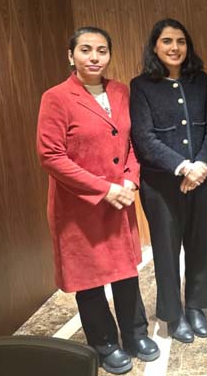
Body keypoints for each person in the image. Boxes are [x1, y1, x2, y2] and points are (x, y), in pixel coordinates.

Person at [36, 27, 159, 374]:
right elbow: (51, 156)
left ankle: (135, 335)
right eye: (86, 50)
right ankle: (104, 343)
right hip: (79, 206)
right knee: (89, 279)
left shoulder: (120, 91)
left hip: (120, 200)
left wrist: (130, 180)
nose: (94, 57)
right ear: (71, 55)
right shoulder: (56, 97)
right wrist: (104, 189)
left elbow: (132, 142)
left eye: (102, 50)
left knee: (124, 271)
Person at [130, 19, 207, 343]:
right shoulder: (141, 86)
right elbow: (143, 138)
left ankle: (196, 306)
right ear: (155, 46)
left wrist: (202, 166)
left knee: (200, 244)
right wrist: (184, 168)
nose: (174, 47)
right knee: (166, 251)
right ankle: (173, 314)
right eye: (167, 41)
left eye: (181, 41)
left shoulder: (201, 81)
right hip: (162, 184)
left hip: (204, 179)